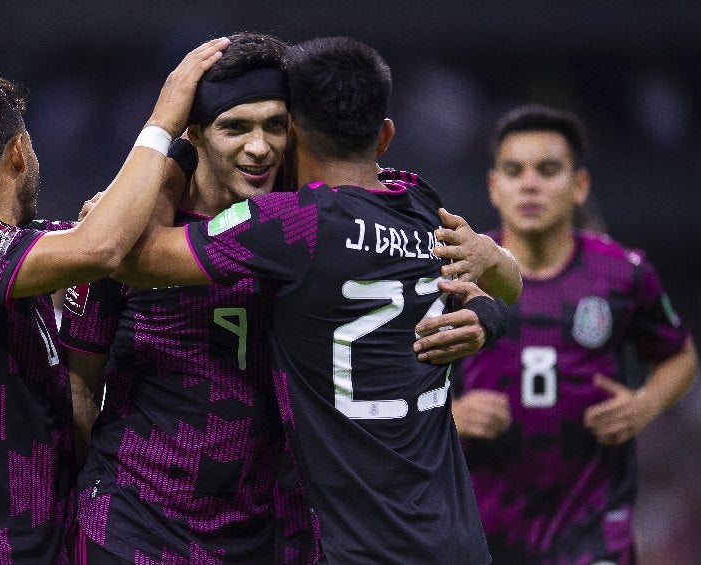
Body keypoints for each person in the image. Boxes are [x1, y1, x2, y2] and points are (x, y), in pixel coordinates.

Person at [111, 36, 521, 563]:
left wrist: (172, 148)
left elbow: (133, 256)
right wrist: (492, 300)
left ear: (294, 132)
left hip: (361, 546)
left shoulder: (291, 223)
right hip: (457, 538)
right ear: (386, 136)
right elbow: (509, 285)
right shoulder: (420, 202)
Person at [0, 37, 230, 564]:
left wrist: (184, 152)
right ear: (19, 152)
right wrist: (164, 121)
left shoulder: (16, 256)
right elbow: (102, 246)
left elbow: (102, 235)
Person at [63, 32, 317, 564]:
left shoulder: (304, 228)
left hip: (259, 536)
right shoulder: (124, 232)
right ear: (196, 135)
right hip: (131, 529)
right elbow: (79, 389)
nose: (259, 146)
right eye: (236, 127)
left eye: (275, 125)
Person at [451, 104, 699, 564]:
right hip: (483, 528)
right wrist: (452, 415)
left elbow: (680, 355)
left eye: (548, 170)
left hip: (592, 525)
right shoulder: (457, 274)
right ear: (493, 187)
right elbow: (395, 377)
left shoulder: (623, 274)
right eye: (514, 170)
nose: (529, 183)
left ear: (580, 185)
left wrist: (645, 404)